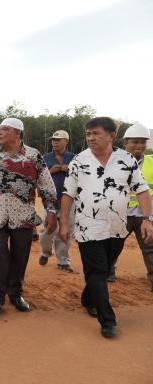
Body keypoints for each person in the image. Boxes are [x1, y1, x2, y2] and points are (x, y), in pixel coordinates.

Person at [59, 117, 153, 338]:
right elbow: (68, 194)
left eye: (96, 133)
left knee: (103, 267)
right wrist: (64, 222)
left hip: (117, 227)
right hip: (88, 226)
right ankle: (107, 320)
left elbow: (140, 190)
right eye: (88, 134)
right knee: (98, 271)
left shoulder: (126, 160)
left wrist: (147, 218)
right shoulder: (79, 161)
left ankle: (88, 298)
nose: (90, 138)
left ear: (111, 136)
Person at [0, 117, 57, 314]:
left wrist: (51, 211)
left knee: (20, 256)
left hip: (23, 216)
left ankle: (16, 294)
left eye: (5, 130)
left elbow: (47, 186)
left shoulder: (33, 156)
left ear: (18, 134)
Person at [117, 123, 153, 288]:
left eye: (143, 142)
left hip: (145, 216)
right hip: (120, 214)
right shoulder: (114, 162)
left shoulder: (151, 163)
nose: (139, 145)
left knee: (150, 249)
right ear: (125, 143)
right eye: (135, 141)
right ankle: (108, 274)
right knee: (112, 246)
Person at [38, 130, 76, 272]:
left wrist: (70, 170)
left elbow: (82, 177)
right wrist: (51, 171)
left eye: (58, 140)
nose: (55, 142)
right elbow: (38, 177)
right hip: (49, 202)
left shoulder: (74, 158)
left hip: (69, 201)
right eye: (53, 140)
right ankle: (46, 252)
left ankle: (63, 261)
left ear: (66, 141)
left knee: (67, 231)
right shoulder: (45, 158)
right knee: (47, 230)